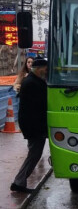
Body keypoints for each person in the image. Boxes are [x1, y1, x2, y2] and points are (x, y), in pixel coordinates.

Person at [10, 58, 48, 193]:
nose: (46, 71)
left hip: (34, 125)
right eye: (45, 68)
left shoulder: (35, 81)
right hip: (34, 126)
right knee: (34, 154)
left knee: (34, 154)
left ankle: (19, 182)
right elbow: (39, 106)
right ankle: (18, 183)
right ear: (38, 69)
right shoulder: (32, 83)